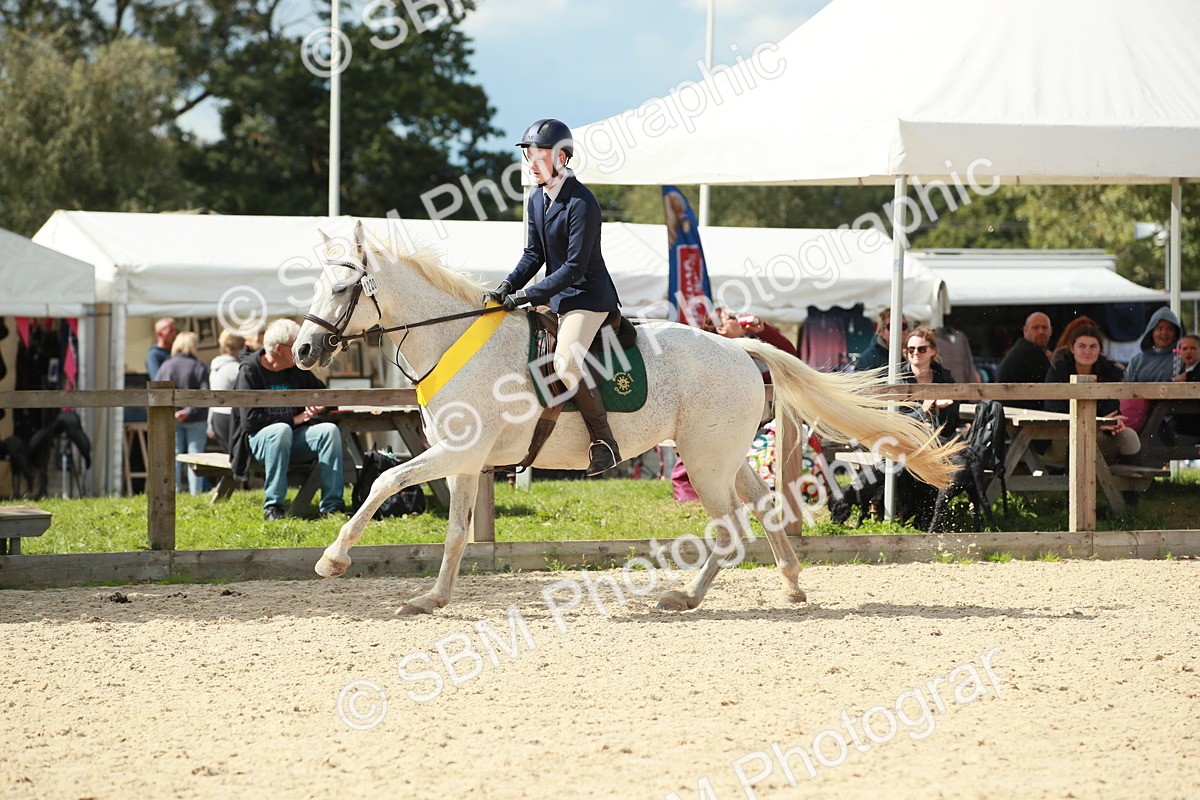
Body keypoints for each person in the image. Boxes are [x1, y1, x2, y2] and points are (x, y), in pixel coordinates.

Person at [486, 117, 623, 477]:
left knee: (565, 364)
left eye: (540, 156)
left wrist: (528, 295)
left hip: (587, 298)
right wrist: (507, 286)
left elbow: (575, 267)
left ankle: (604, 441)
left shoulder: (582, 202)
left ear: (561, 158)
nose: (532, 163)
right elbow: (534, 254)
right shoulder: (536, 199)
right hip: (557, 296)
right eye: (529, 156)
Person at [229, 319, 346, 520]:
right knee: (281, 430)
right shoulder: (250, 370)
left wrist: (321, 404)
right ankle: (273, 507)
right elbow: (249, 421)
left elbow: (325, 395)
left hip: (293, 440)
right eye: (295, 345)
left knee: (329, 431)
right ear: (278, 349)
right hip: (257, 444)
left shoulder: (296, 369)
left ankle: (333, 507)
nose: (300, 350)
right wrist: (294, 420)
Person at [1044, 324, 1140, 460]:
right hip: (1063, 434)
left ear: (1100, 349)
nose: (1087, 351)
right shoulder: (1058, 371)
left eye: (1093, 346)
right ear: (1072, 348)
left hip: (1098, 434)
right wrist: (1097, 423)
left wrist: (1114, 422)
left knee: (1129, 437)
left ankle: (1126, 474)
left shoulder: (1109, 373)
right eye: (1082, 346)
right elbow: (1055, 410)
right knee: (1079, 444)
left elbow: (1111, 410)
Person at [154, 332, 210, 494]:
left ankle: (173, 492)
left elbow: (156, 393)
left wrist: (173, 412)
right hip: (196, 418)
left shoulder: (166, 366)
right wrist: (189, 411)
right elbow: (204, 394)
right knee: (196, 456)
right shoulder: (198, 366)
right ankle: (195, 493)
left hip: (172, 417)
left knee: (174, 456)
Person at [898, 325, 960, 441]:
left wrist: (943, 410)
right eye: (911, 349)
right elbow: (895, 421)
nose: (916, 353)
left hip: (937, 443)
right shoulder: (898, 380)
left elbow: (949, 429)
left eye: (922, 349)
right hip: (905, 443)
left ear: (933, 351)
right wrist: (922, 411)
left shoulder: (945, 379)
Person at [996, 312, 1053, 409]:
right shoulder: (1030, 351)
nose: (1041, 331)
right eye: (1035, 328)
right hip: (1017, 413)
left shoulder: (1024, 348)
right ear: (1025, 330)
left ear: (1051, 331)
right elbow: (1053, 384)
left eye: (1044, 327)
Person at [208, 329, 246, 453]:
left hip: (216, 415)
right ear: (241, 347)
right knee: (238, 455)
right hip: (230, 416)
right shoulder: (236, 368)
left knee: (229, 454)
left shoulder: (215, 367)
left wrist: (209, 423)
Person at [1124, 308, 1186, 383]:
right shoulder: (1136, 361)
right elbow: (1126, 386)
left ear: (1176, 334)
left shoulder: (1182, 359)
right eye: (1160, 328)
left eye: (1170, 329)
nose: (1164, 333)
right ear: (1151, 331)